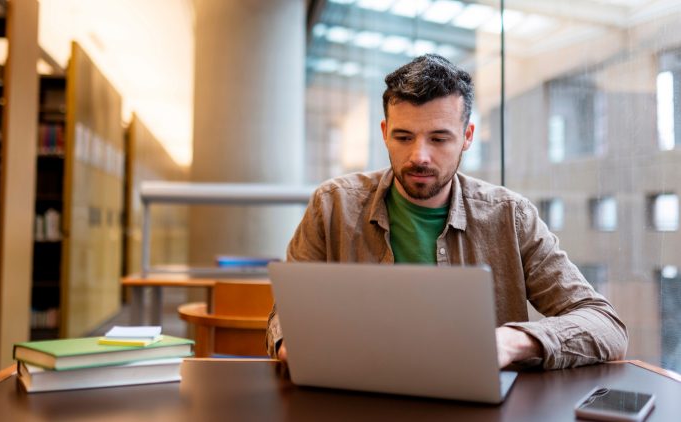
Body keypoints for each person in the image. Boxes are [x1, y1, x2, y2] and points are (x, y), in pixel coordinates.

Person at [266, 54, 628, 370]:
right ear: (385, 132)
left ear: (467, 136)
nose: (419, 156)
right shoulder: (331, 206)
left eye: (439, 139)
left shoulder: (510, 217)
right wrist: (289, 344)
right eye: (403, 137)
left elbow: (605, 324)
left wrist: (512, 342)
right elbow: (286, 316)